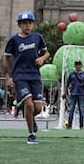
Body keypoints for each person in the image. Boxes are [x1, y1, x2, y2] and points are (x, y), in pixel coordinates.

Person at [3, 11, 49, 145]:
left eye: (29, 23)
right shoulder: (14, 40)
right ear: (19, 25)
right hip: (20, 76)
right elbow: (6, 58)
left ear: (33, 25)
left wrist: (42, 58)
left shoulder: (37, 37)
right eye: (24, 23)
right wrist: (8, 77)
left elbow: (46, 53)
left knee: (38, 108)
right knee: (29, 105)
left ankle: (30, 118)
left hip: (34, 76)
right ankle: (31, 134)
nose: (27, 26)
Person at [66, 60, 84, 130]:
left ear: (81, 65)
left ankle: (81, 126)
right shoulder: (71, 74)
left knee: (81, 111)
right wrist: (65, 92)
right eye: (76, 64)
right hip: (73, 94)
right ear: (74, 65)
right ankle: (69, 125)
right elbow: (67, 84)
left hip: (81, 94)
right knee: (71, 110)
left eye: (79, 64)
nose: (78, 66)